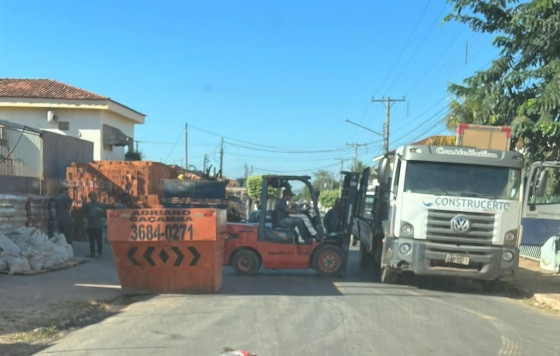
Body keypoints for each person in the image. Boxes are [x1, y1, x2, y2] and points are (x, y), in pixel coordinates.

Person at [83, 192, 106, 258]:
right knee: (91, 240)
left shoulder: (101, 205)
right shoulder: (88, 205)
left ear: (96, 197)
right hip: (90, 225)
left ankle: (99, 253)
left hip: (98, 225)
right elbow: (84, 211)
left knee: (99, 240)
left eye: (94, 196)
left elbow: (104, 213)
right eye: (91, 196)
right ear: (90, 198)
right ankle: (92, 253)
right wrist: (83, 202)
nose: (93, 197)